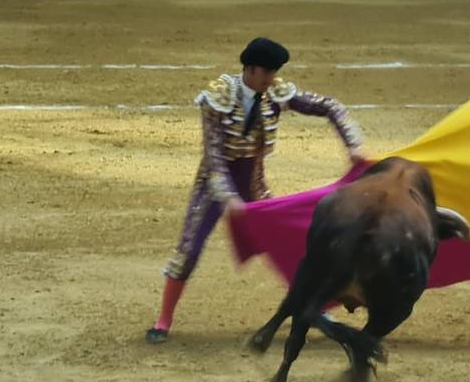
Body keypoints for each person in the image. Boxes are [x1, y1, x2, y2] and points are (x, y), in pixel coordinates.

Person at [147, 38, 365, 344]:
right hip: (213, 184)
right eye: (267, 74)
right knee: (190, 249)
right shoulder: (218, 97)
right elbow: (213, 156)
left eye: (275, 73)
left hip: (253, 184)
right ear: (250, 70)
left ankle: (316, 307)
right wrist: (228, 197)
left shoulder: (273, 92)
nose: (272, 80)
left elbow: (329, 106)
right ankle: (163, 320)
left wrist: (353, 144)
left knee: (292, 243)